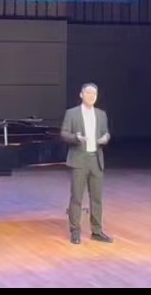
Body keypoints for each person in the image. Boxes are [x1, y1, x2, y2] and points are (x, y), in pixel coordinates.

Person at [60, 82, 113, 245]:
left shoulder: (101, 114)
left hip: (96, 160)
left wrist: (105, 138)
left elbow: (106, 133)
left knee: (97, 198)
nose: (91, 96)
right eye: (88, 93)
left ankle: (97, 231)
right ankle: (75, 230)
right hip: (79, 160)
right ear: (81, 95)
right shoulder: (72, 113)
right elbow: (64, 133)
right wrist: (76, 138)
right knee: (77, 197)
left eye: (94, 94)